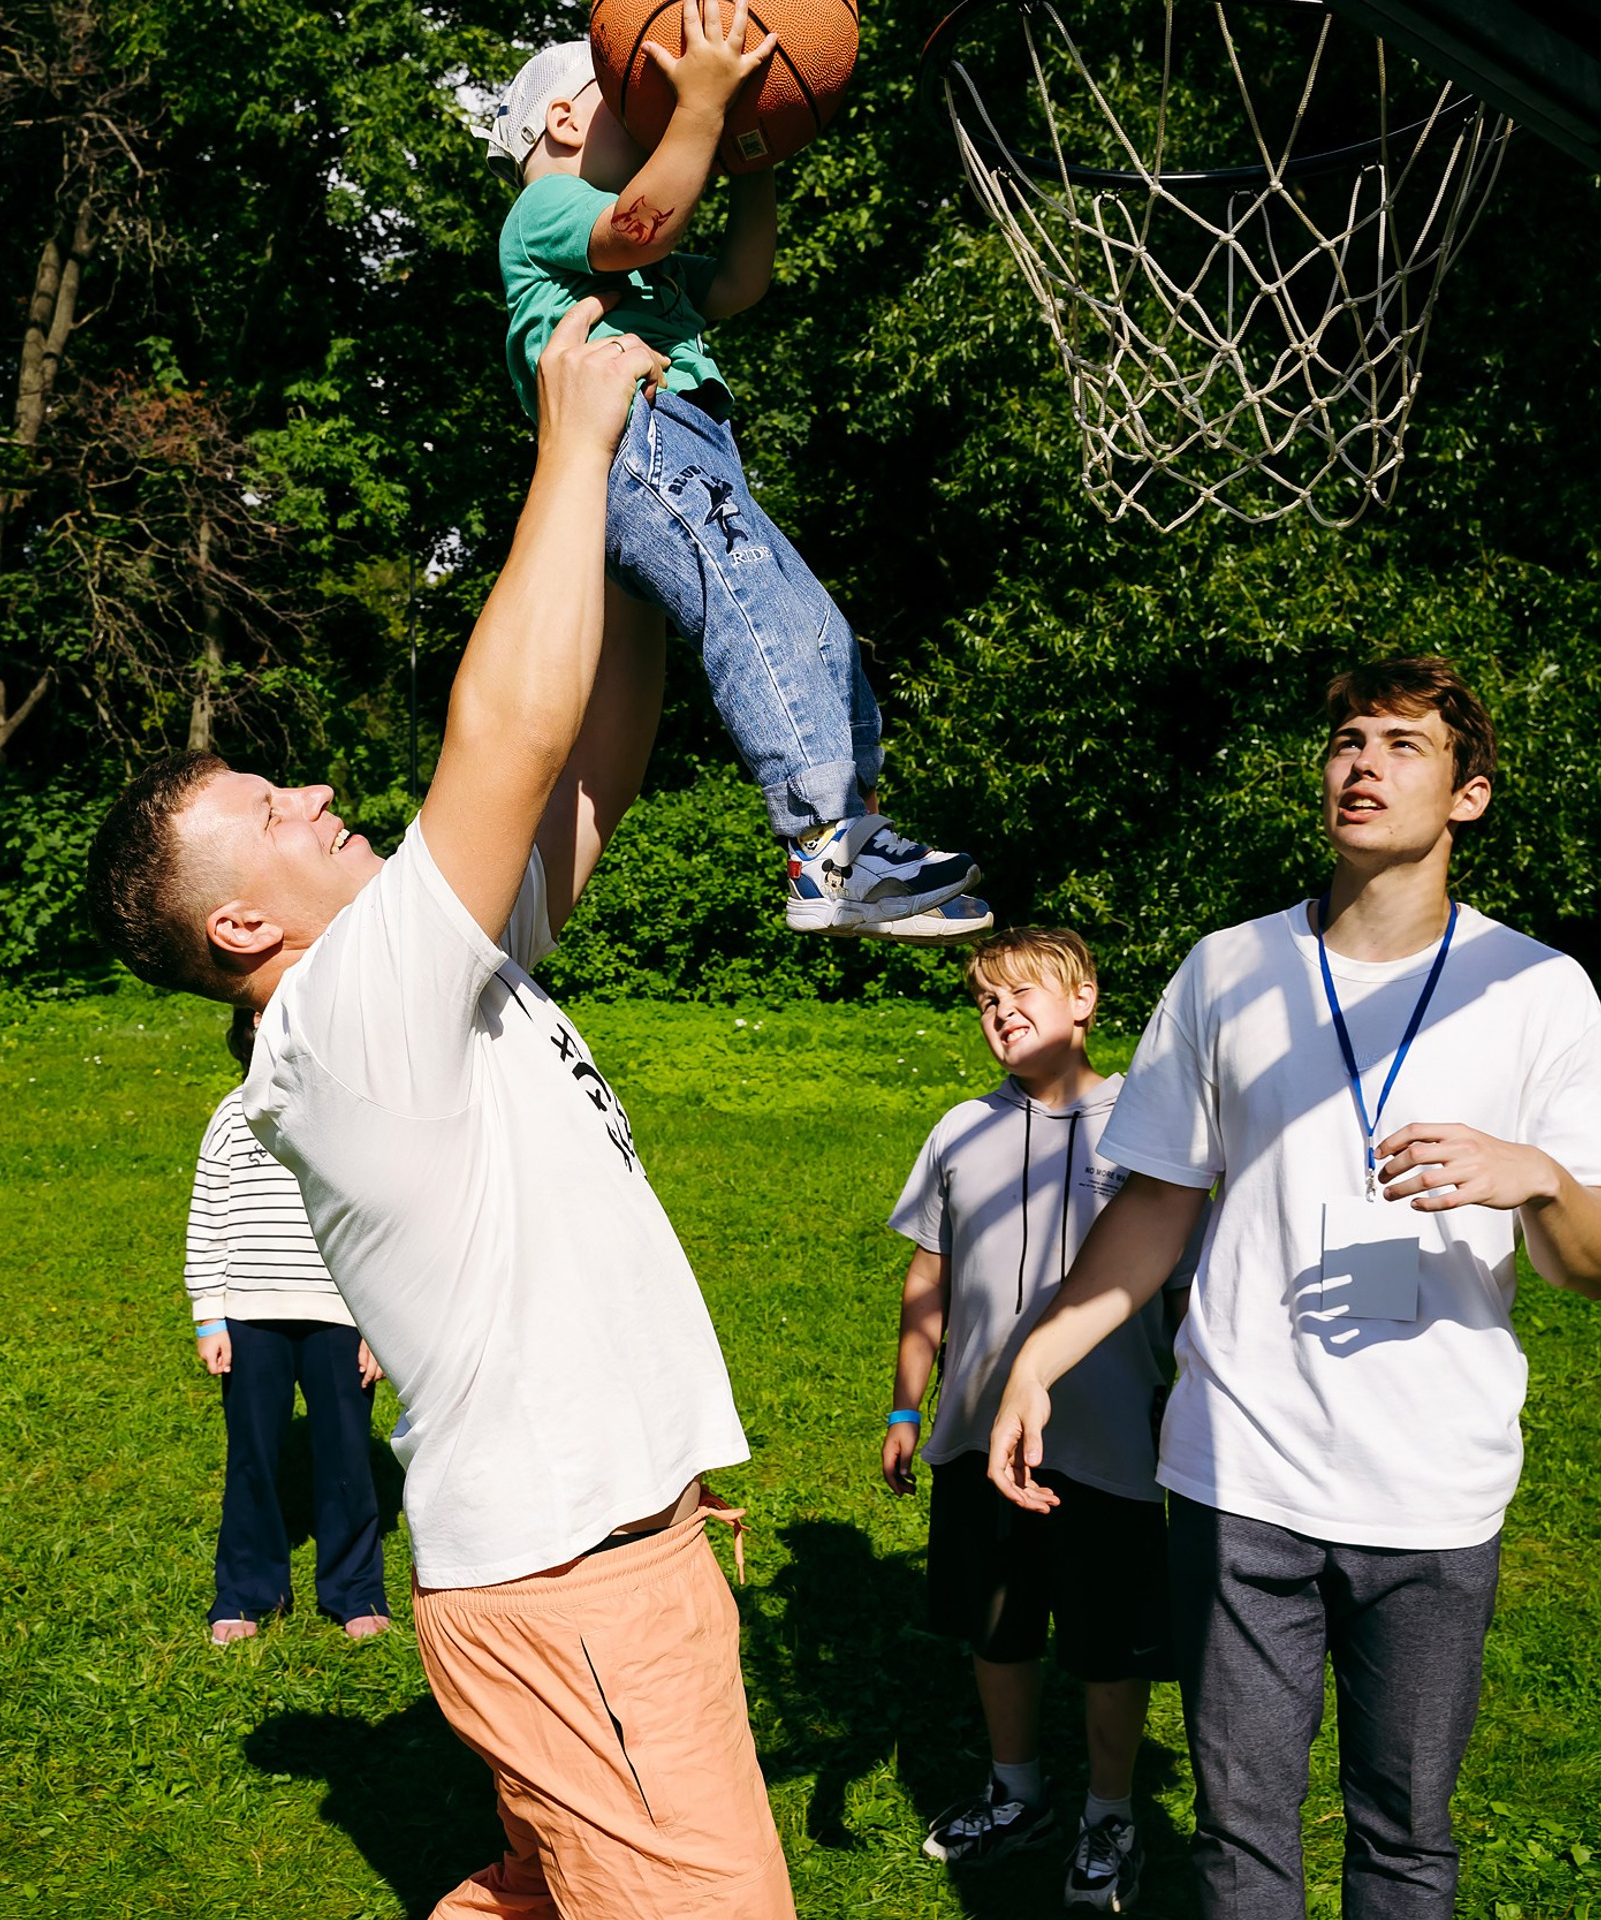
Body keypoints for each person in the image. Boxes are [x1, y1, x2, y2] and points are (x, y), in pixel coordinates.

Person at [85, 299, 795, 1918]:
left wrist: (632, 520)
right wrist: (566, 446)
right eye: (270, 811)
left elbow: (585, 769)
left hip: (598, 1569)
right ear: (241, 930)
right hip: (576, 1585)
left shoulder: (412, 988)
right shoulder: (346, 1017)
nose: (318, 794)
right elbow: (509, 730)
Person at [987, 658, 1601, 1920]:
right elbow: (1159, 1201)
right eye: (1347, 742)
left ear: (1468, 796)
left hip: (1435, 1486)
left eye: (1403, 745)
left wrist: (1535, 1173)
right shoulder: (1226, 972)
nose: (1362, 764)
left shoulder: (1543, 992)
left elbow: (1585, 1264)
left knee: (1407, 1840)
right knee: (1239, 1840)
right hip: (1240, 1471)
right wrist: (1038, 1359)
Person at [483, 12, 991, 946]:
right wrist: (704, 109)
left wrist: (752, 161)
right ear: (563, 120)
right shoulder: (544, 214)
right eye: (629, 99)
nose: (660, 114)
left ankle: (859, 838)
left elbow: (740, 284)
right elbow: (642, 224)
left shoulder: (647, 270)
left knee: (810, 627)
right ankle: (825, 843)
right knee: (756, 611)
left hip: (691, 449)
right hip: (635, 436)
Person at [883, 927, 1194, 1913]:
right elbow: (926, 1276)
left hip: (1110, 1450)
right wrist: (904, 1402)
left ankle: (1111, 1813)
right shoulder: (956, 1130)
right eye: (985, 1000)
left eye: (1023, 992)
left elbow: (1186, 1301)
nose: (1002, 1011)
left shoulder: (1147, 1132)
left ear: (1086, 1000)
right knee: (998, 1630)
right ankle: (1017, 1793)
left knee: (1108, 1644)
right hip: (975, 1437)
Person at [187, 1006, 389, 1647]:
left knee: (348, 1460)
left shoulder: (352, 1113)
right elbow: (208, 1216)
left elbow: (378, 1224)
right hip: (248, 1319)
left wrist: (378, 1324)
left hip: (339, 1318)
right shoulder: (229, 1117)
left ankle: (354, 1591)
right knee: (253, 1459)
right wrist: (208, 1317)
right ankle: (247, 1595)